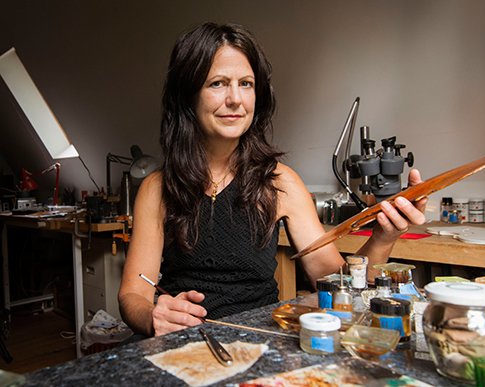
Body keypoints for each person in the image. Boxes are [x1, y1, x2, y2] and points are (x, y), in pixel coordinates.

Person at [118, 22, 427, 338]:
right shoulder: (157, 188)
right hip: (181, 346)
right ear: (187, 95)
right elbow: (133, 295)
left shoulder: (281, 183)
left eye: (246, 83)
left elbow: (340, 287)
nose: (236, 99)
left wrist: (384, 236)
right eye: (218, 83)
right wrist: (154, 316)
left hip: (261, 346)